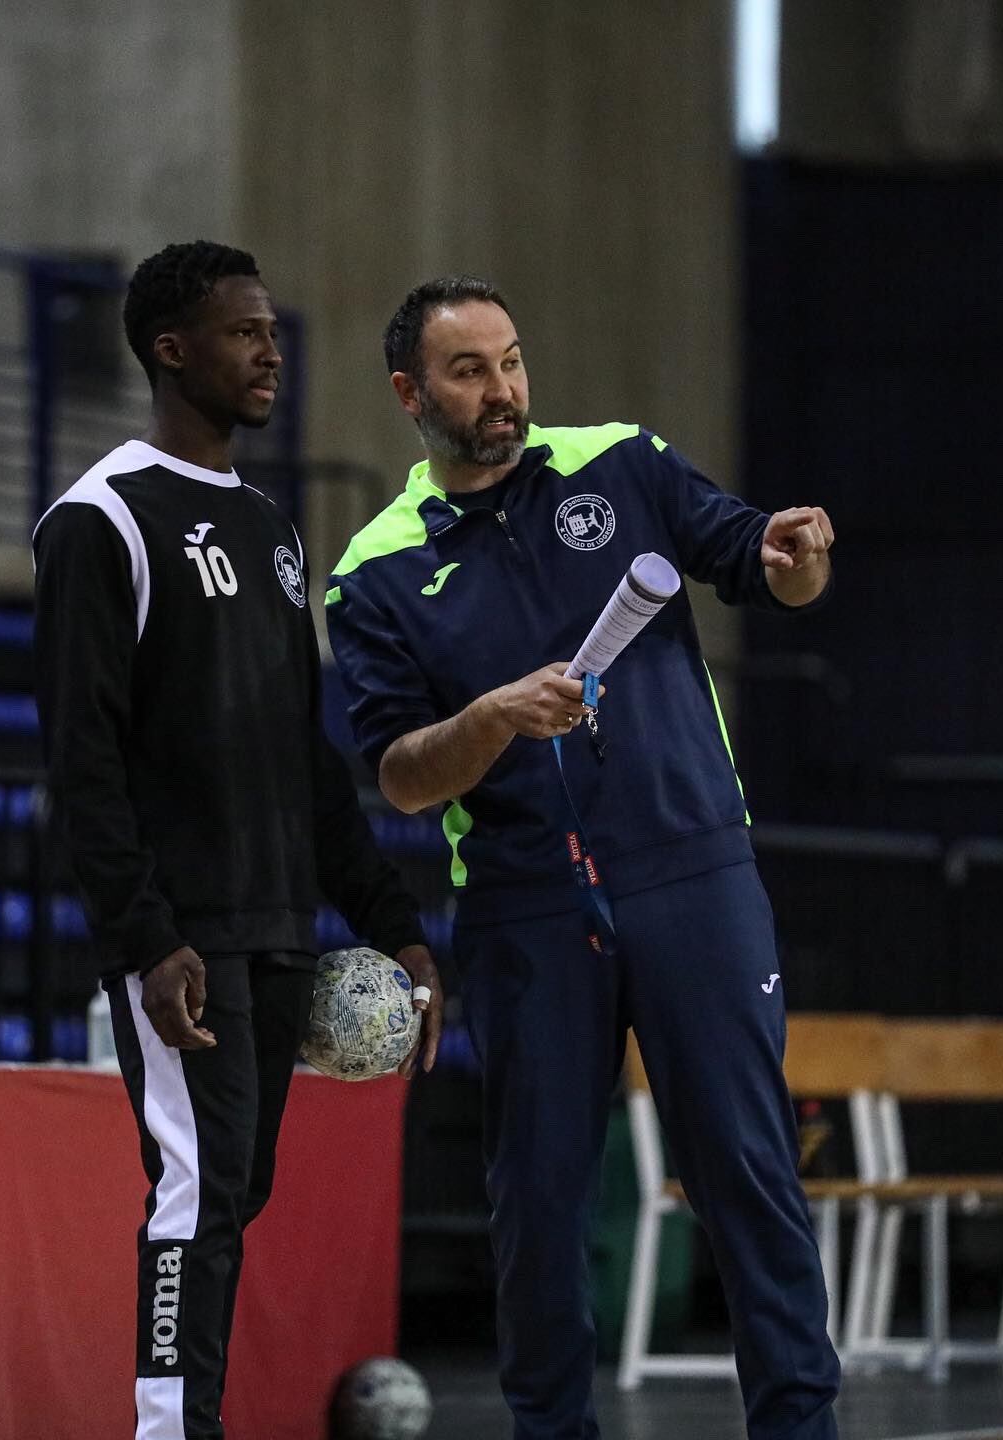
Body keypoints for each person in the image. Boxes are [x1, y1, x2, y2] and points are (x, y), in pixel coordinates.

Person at [325, 275, 840, 1440]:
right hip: (525, 907)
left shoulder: (620, 462)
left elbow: (758, 558)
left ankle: (803, 1428)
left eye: (510, 361)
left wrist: (796, 557)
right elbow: (400, 774)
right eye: (469, 371)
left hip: (693, 874)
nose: (502, 390)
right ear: (411, 393)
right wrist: (495, 716)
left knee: (748, 1175)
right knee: (540, 1206)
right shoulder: (377, 570)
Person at [31, 241, 443, 1440]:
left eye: (273, 331)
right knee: (197, 1194)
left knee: (236, 1191)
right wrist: (146, 939)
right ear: (171, 349)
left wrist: (393, 925)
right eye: (243, 331)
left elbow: (302, 756)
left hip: (279, 926)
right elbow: (82, 761)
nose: (272, 352)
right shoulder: (99, 521)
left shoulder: (268, 526)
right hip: (185, 942)